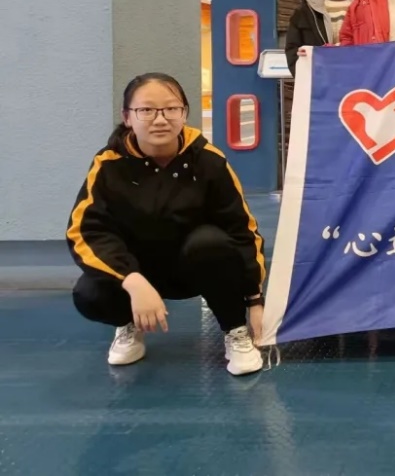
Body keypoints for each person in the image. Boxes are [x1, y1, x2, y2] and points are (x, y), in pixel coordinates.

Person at [66, 74, 267, 375]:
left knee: (211, 242)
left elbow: (242, 230)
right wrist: (131, 280)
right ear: (127, 117)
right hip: (139, 274)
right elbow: (86, 232)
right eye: (146, 110)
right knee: (90, 294)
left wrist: (254, 300)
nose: (160, 119)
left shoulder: (209, 160)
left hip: (194, 269)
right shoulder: (108, 165)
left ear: (184, 113)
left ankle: (235, 331)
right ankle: (129, 324)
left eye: (171, 109)